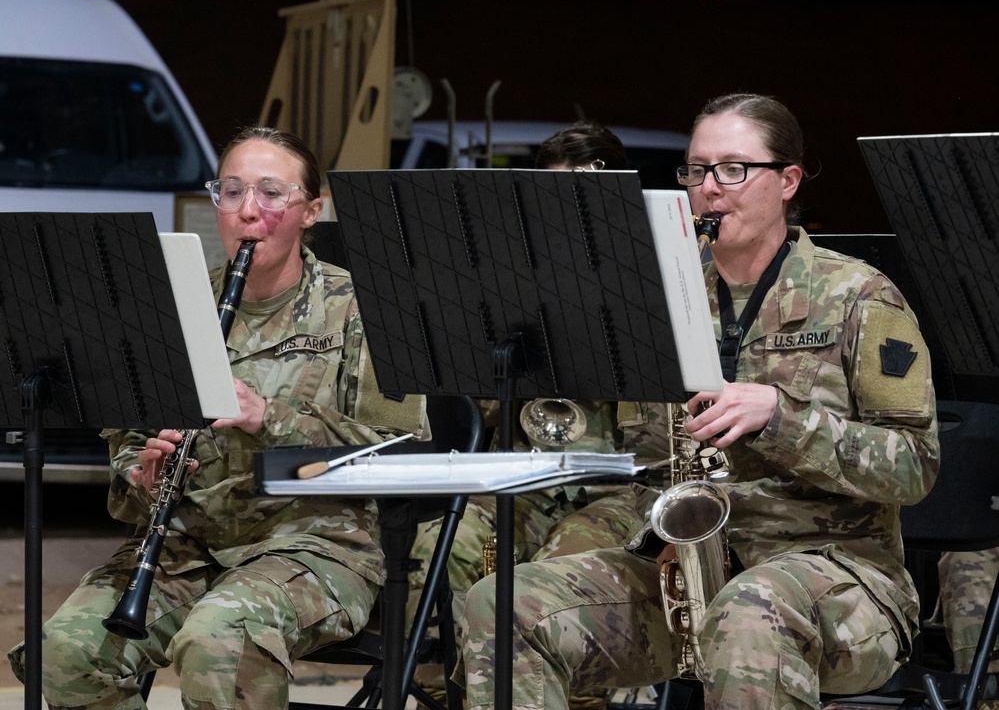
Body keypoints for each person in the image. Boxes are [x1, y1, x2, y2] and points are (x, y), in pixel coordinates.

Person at [457, 93, 940, 710]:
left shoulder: (861, 297)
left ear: (787, 180)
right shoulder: (661, 297)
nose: (711, 189)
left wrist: (781, 417)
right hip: (687, 573)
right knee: (504, 606)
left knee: (749, 613)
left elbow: (915, 467)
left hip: (844, 581)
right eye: (696, 170)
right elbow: (646, 454)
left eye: (734, 169)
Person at [7, 126, 429, 710]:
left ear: (312, 210)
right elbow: (129, 448)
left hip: (314, 546)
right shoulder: (171, 308)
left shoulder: (366, 308)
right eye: (231, 192)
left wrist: (272, 417)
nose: (248, 211)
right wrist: (144, 474)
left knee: (218, 642)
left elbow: (399, 451)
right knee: (68, 649)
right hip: (188, 543)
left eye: (271, 193)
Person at [405, 120, 647, 710]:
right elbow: (473, 393)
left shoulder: (652, 275)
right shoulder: (511, 278)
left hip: (612, 485)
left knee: (563, 572)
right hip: (519, 472)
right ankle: (464, 694)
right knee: (441, 550)